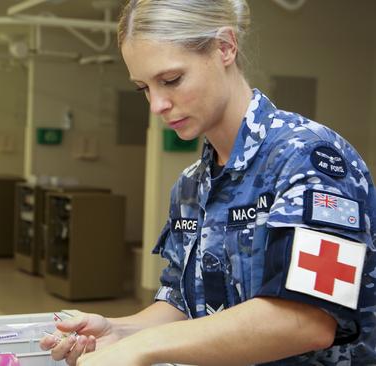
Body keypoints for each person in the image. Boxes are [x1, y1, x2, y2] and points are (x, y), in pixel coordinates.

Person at [40, 0, 376, 364]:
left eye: (171, 80)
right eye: (144, 88)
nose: (157, 105)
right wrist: (119, 332)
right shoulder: (191, 185)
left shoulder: (308, 160)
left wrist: (143, 348)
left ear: (225, 48)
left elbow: (307, 320)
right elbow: (183, 303)